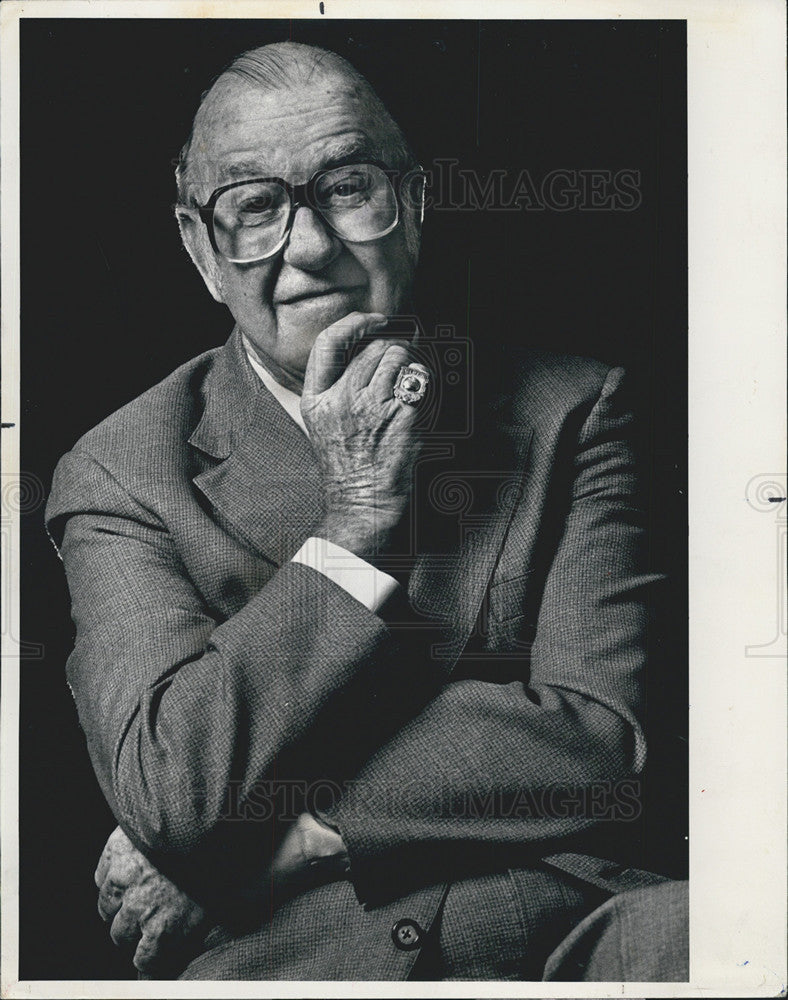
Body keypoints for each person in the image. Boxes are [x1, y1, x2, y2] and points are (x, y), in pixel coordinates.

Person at [45, 41, 687, 981]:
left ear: (414, 204)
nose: (308, 246)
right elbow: (170, 785)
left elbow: (602, 740)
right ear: (198, 246)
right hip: (295, 962)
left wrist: (294, 832)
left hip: (568, 927)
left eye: (348, 186)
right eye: (254, 207)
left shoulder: (574, 407)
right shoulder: (119, 472)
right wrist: (351, 527)